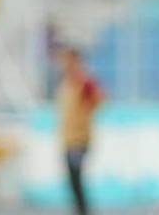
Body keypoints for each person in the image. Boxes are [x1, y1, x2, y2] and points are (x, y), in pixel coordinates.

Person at [56, 47, 103, 215]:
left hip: (79, 140)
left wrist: (85, 115)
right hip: (67, 139)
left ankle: (83, 211)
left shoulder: (84, 83)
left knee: (76, 178)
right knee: (72, 181)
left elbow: (98, 99)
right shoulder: (66, 84)